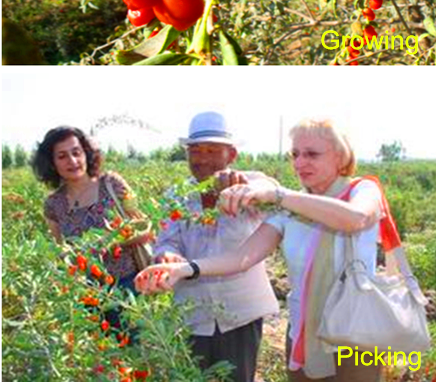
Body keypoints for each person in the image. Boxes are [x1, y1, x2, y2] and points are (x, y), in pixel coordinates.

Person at [137, 120, 385, 382]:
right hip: (303, 332)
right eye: (295, 155)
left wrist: (274, 194)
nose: (300, 163)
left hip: (358, 333)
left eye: (312, 154)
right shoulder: (288, 209)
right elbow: (242, 258)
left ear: (340, 155)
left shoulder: (362, 190)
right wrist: (183, 269)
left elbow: (355, 218)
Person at [151, 111, 280, 382]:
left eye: (212, 150)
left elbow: (272, 191)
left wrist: (246, 189)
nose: (202, 159)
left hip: (240, 315)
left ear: (231, 155)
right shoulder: (176, 197)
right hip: (192, 315)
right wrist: (168, 256)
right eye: (195, 151)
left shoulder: (249, 185)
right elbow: (165, 241)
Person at [34, 126, 146, 291]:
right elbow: (62, 251)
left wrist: (108, 241)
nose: (72, 161)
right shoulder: (53, 204)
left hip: (129, 285)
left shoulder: (111, 184)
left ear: (86, 153)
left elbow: (145, 230)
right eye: (62, 156)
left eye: (76, 152)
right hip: (87, 293)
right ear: (52, 163)